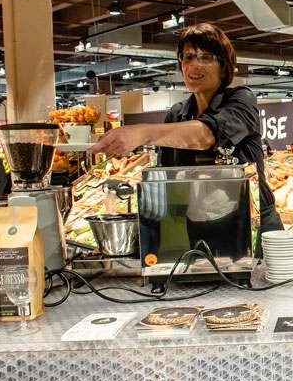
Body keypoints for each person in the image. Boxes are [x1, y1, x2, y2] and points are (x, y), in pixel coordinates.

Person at [92, 22, 282, 255]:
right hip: (199, 225)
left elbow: (206, 135)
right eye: (188, 57)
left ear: (224, 67)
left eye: (206, 57)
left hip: (253, 226)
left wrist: (143, 133)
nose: (194, 65)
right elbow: (169, 178)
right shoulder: (177, 113)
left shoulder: (242, 99)